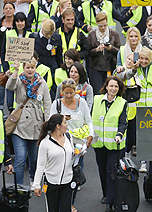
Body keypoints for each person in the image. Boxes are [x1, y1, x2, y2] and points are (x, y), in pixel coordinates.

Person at [50, 79, 94, 211]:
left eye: (71, 93)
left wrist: (90, 135)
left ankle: (70, 203)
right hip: (60, 144)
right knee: (61, 175)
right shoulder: (56, 104)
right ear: (61, 92)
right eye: (66, 93)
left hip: (78, 146)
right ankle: (58, 203)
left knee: (74, 175)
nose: (69, 96)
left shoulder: (82, 103)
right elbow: (50, 123)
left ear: (76, 92)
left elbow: (89, 121)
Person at [6, 59, 51, 186]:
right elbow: (9, 86)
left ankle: (33, 180)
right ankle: (18, 186)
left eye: (32, 67)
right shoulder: (19, 80)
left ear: (35, 68)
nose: (30, 70)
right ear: (24, 68)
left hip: (36, 125)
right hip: (19, 125)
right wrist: (15, 70)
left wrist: (47, 123)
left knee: (35, 159)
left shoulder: (42, 83)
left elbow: (47, 104)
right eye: (27, 67)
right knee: (20, 159)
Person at [91, 76, 128, 211]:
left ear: (119, 89)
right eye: (111, 86)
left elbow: (123, 122)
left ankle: (110, 202)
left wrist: (119, 134)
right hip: (99, 143)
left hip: (114, 145)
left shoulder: (122, 102)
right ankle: (106, 194)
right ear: (106, 87)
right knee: (102, 170)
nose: (113, 89)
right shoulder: (96, 100)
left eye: (116, 87)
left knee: (111, 171)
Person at [33, 114, 74, 212]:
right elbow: (40, 165)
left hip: (67, 181)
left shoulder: (69, 137)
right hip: (51, 183)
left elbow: (72, 155)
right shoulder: (45, 143)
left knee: (66, 209)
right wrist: (36, 185)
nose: (67, 125)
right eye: (65, 122)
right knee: (52, 209)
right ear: (58, 126)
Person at [87, 12, 121, 94]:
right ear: (97, 23)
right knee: (98, 92)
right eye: (100, 26)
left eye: (105, 25)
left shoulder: (114, 34)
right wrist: (96, 50)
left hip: (110, 67)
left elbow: (120, 52)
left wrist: (111, 48)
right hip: (95, 68)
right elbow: (87, 52)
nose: (103, 28)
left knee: (110, 92)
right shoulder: (92, 35)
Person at [115, 53, 140, 156]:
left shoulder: (140, 73)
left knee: (132, 136)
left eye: (132, 60)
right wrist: (133, 70)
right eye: (128, 59)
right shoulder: (120, 70)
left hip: (135, 110)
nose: (130, 61)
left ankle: (128, 153)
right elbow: (125, 76)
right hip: (122, 108)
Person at [29, 18, 63, 91]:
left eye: (51, 34)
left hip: (53, 70)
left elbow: (59, 56)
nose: (49, 36)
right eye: (47, 34)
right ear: (43, 29)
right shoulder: (33, 37)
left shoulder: (57, 37)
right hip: (39, 71)